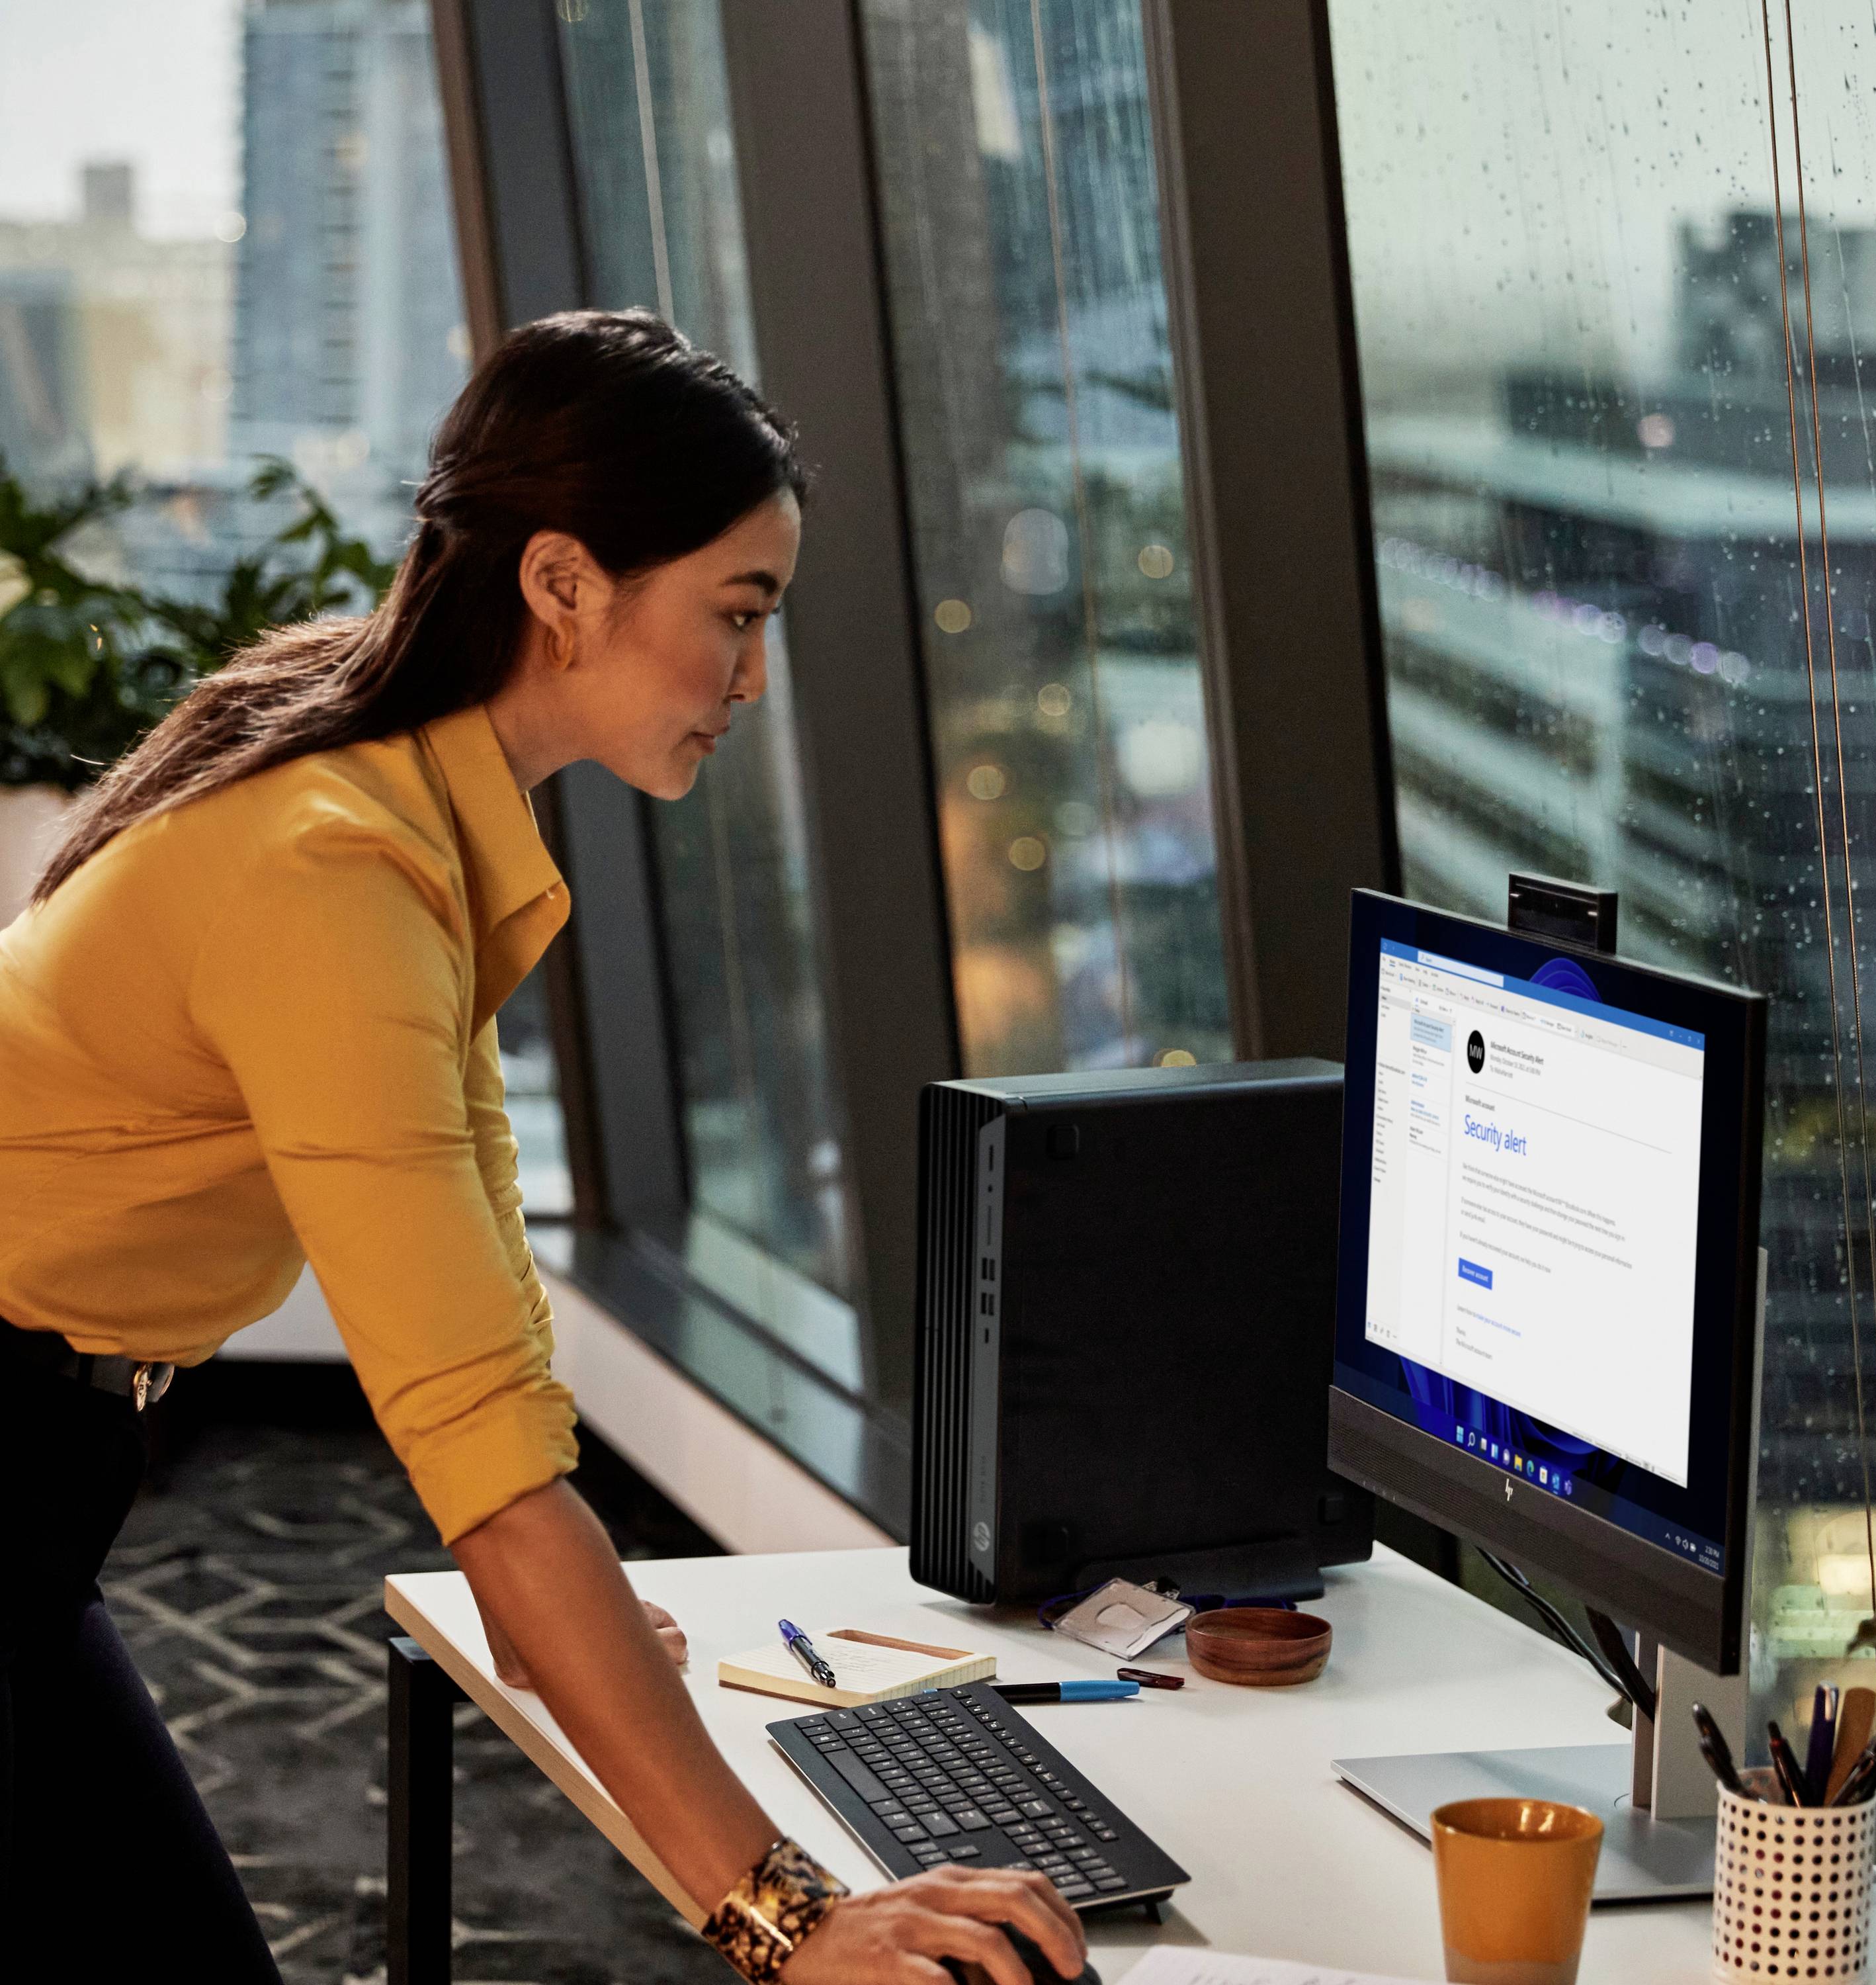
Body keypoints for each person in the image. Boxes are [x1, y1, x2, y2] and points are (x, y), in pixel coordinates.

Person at [0, 310, 1086, 1985]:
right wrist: (788, 1917)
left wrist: (557, 1612)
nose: (753, 677)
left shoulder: (388, 793)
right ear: (567, 584)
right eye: (737, 612)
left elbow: (487, 1299)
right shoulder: (333, 869)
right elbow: (478, 1454)